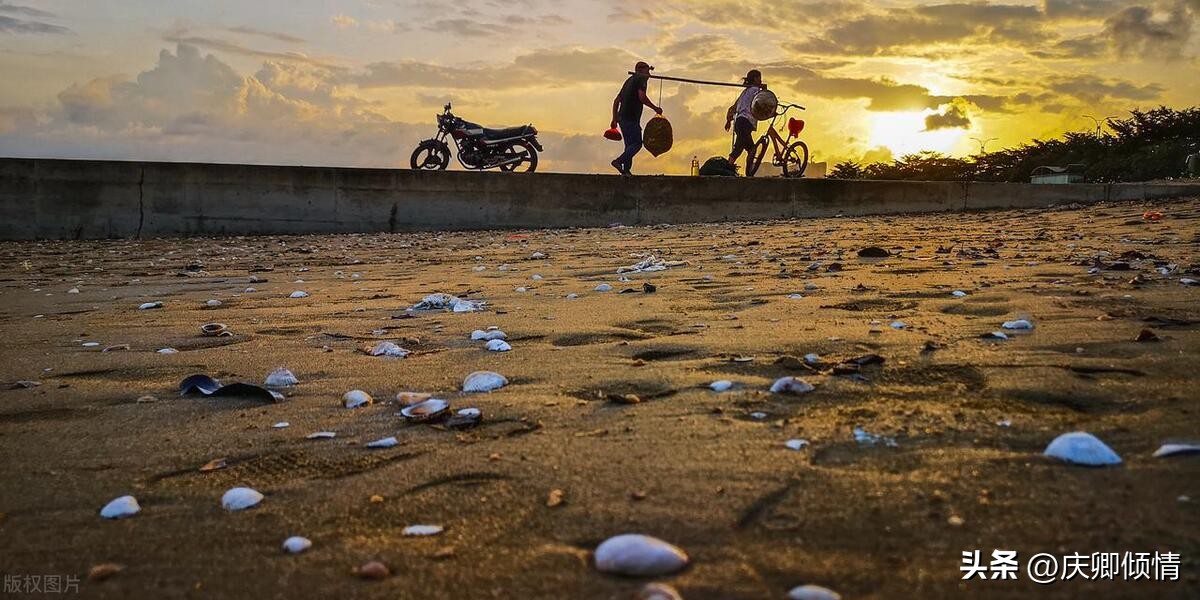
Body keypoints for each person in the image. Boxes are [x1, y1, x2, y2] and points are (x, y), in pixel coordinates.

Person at [611, 61, 663, 175]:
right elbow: (642, 97)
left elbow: (616, 101)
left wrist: (614, 119)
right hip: (630, 118)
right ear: (640, 70)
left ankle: (626, 171)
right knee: (637, 144)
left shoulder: (629, 81)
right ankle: (618, 161)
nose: (649, 74)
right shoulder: (640, 79)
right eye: (647, 71)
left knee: (629, 145)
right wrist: (655, 108)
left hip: (622, 119)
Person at [725, 69, 765, 176]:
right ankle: (728, 168)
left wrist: (728, 121)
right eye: (759, 78)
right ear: (755, 79)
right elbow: (763, 102)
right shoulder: (756, 90)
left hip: (739, 122)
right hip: (745, 122)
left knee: (751, 149)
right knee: (739, 147)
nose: (761, 80)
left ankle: (749, 173)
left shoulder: (744, 92)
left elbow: (733, 108)